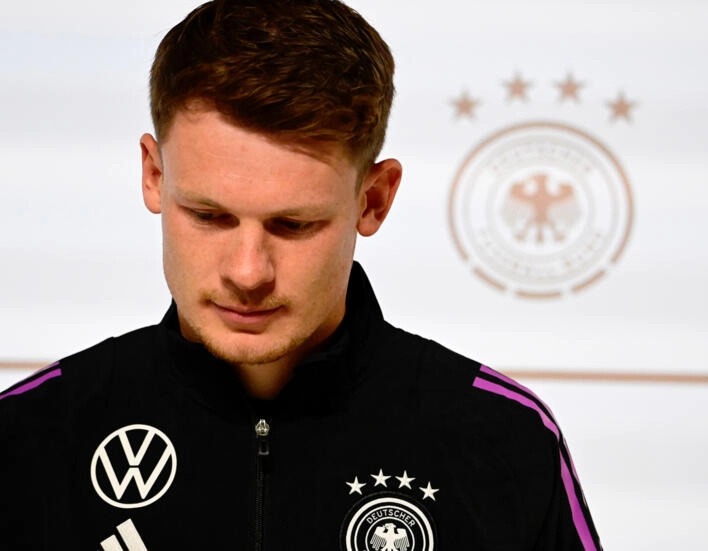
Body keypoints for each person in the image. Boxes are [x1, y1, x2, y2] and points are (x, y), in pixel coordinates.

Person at [0, 1, 602, 549]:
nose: (247, 272)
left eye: (292, 225)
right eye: (210, 216)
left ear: (374, 200)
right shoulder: (30, 437)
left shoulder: (501, 440)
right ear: (154, 177)